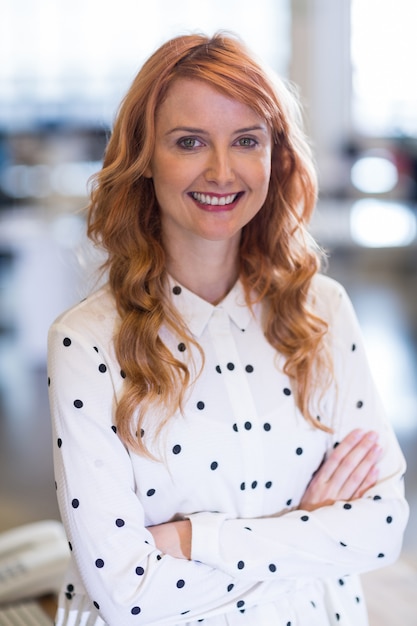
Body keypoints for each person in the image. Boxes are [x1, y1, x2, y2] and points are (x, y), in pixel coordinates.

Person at [47, 32, 409, 626]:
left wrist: (191, 540)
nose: (221, 171)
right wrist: (309, 532)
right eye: (189, 142)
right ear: (143, 159)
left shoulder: (322, 310)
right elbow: (128, 596)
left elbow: (382, 530)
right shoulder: (85, 343)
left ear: (276, 155)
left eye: (246, 140)